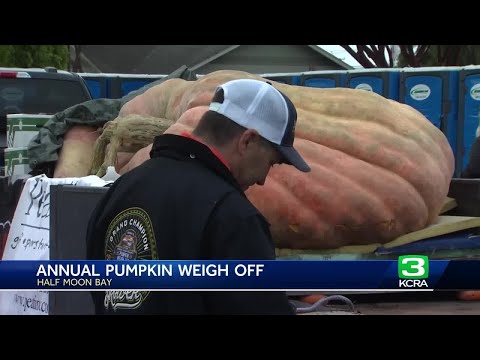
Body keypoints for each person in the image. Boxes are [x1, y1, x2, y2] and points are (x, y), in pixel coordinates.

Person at [86, 78, 311, 315]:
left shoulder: (119, 190)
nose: (263, 179)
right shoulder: (234, 218)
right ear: (248, 140)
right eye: (270, 162)